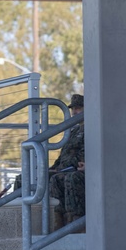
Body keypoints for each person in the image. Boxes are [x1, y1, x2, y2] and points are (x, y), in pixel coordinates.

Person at [48, 94, 85, 228]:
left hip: (75, 169)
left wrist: (65, 167)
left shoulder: (93, 128)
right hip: (63, 168)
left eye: (79, 108)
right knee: (30, 178)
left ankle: (72, 223)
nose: (74, 112)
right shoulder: (74, 131)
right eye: (73, 109)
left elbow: (84, 154)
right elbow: (64, 154)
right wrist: (54, 167)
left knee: (59, 179)